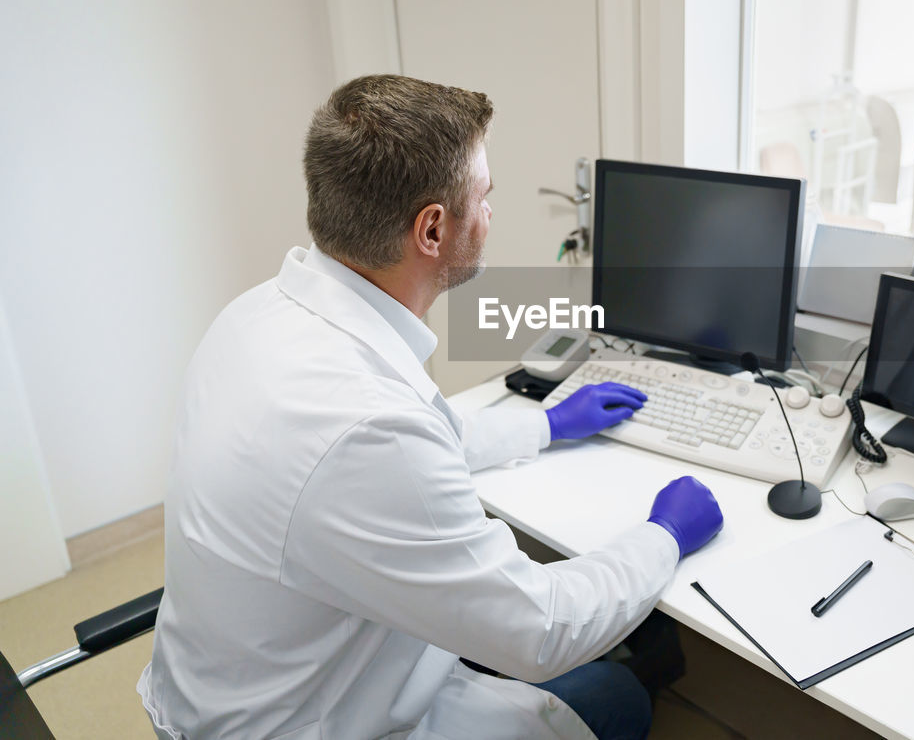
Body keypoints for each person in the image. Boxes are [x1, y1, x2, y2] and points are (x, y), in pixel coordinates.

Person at [138, 75, 724, 740]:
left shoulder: (257, 316)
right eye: (485, 195)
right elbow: (541, 629)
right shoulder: (366, 426)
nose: (492, 213)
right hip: (309, 720)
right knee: (618, 695)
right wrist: (664, 536)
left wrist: (547, 422)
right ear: (434, 228)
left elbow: (398, 450)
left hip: (242, 683)